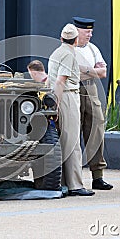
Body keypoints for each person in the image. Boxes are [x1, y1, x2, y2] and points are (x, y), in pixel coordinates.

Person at [47, 23, 94, 196]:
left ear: (61, 38)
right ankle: (75, 185)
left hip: (58, 95)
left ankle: (65, 182)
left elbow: (49, 80)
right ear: (75, 40)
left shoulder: (56, 53)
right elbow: (61, 80)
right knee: (73, 141)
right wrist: (56, 104)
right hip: (67, 96)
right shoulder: (69, 54)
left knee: (64, 140)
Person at [73, 16, 113, 190]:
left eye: (91, 31)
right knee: (72, 134)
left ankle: (98, 176)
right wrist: (92, 71)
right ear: (77, 32)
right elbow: (71, 75)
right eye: (86, 31)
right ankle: (72, 178)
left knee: (96, 133)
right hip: (74, 91)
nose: (90, 35)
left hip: (92, 91)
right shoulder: (68, 50)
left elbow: (103, 72)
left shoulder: (93, 49)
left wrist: (84, 70)